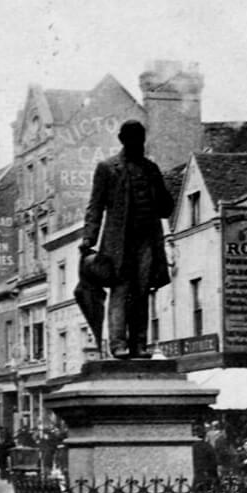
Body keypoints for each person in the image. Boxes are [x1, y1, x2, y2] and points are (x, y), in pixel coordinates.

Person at [80, 119, 174, 359]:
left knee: (142, 292)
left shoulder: (151, 169)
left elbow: (165, 209)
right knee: (121, 290)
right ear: (122, 140)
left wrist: (160, 188)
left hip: (147, 241)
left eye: (140, 137)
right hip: (118, 242)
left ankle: (140, 344)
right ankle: (118, 344)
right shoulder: (107, 168)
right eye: (131, 138)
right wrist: (88, 238)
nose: (136, 142)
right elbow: (95, 206)